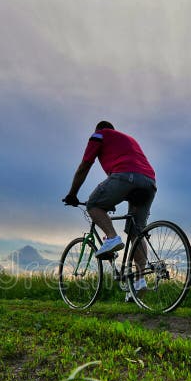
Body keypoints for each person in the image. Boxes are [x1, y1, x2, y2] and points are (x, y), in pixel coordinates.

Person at [63, 120, 157, 294]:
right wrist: (111, 200)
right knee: (136, 232)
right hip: (149, 182)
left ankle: (112, 238)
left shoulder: (99, 135)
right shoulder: (129, 139)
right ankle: (140, 281)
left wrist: (72, 194)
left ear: (99, 129)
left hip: (126, 176)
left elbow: (85, 165)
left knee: (93, 204)